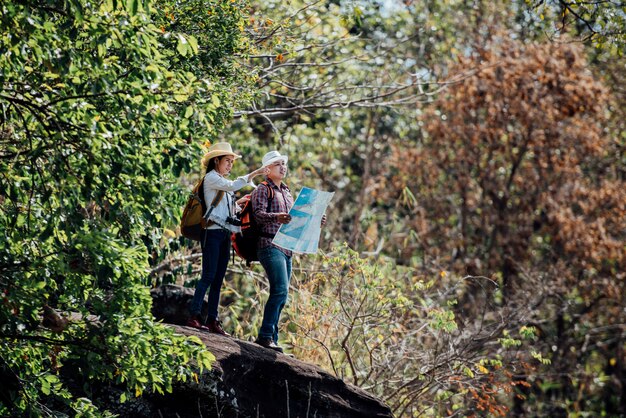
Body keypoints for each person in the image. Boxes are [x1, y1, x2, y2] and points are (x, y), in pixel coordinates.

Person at [187, 142, 269, 335]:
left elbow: (231, 209)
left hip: (224, 234)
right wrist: (255, 173)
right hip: (212, 232)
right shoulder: (211, 178)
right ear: (216, 161)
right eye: (227, 161)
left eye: (232, 162)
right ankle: (194, 316)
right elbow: (232, 185)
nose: (230, 165)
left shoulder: (223, 184)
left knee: (218, 279)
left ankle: (213, 319)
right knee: (208, 275)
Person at [251, 150, 326, 352]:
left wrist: (316, 221)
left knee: (282, 295)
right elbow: (258, 215)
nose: (282, 167)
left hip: (287, 248)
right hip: (269, 245)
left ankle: (272, 337)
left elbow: (296, 221)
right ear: (267, 170)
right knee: (280, 290)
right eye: (277, 164)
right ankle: (265, 336)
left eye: (283, 163)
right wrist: (277, 217)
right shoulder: (262, 189)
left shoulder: (287, 191)